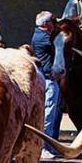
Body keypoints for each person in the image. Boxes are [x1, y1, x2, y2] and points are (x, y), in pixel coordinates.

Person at [31, 11, 65, 143]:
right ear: (46, 24)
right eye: (53, 21)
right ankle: (43, 145)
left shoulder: (43, 34)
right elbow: (60, 44)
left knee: (54, 112)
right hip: (48, 79)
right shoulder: (43, 38)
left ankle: (50, 143)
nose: (55, 23)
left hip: (51, 79)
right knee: (48, 113)